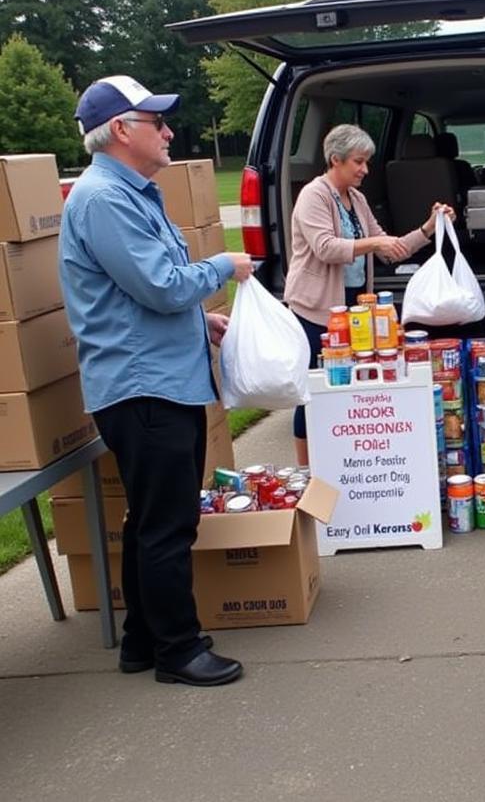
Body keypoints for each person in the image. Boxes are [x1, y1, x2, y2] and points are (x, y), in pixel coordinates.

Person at [59, 75, 253, 687]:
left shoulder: (131, 193)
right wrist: (224, 266)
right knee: (169, 524)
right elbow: (163, 286)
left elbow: (147, 291)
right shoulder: (105, 200)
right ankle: (178, 649)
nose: (169, 133)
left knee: (150, 519)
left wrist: (203, 320)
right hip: (147, 389)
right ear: (121, 130)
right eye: (156, 122)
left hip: (158, 380)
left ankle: (143, 639)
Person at [284, 124, 455, 465]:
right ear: (335, 160)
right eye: (358, 162)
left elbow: (390, 250)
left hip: (354, 311)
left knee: (350, 390)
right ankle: (305, 471)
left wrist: (428, 228)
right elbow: (325, 247)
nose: (365, 169)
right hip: (316, 312)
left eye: (366, 162)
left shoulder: (357, 199)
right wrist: (375, 242)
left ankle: (341, 463)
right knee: (314, 392)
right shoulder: (313, 196)